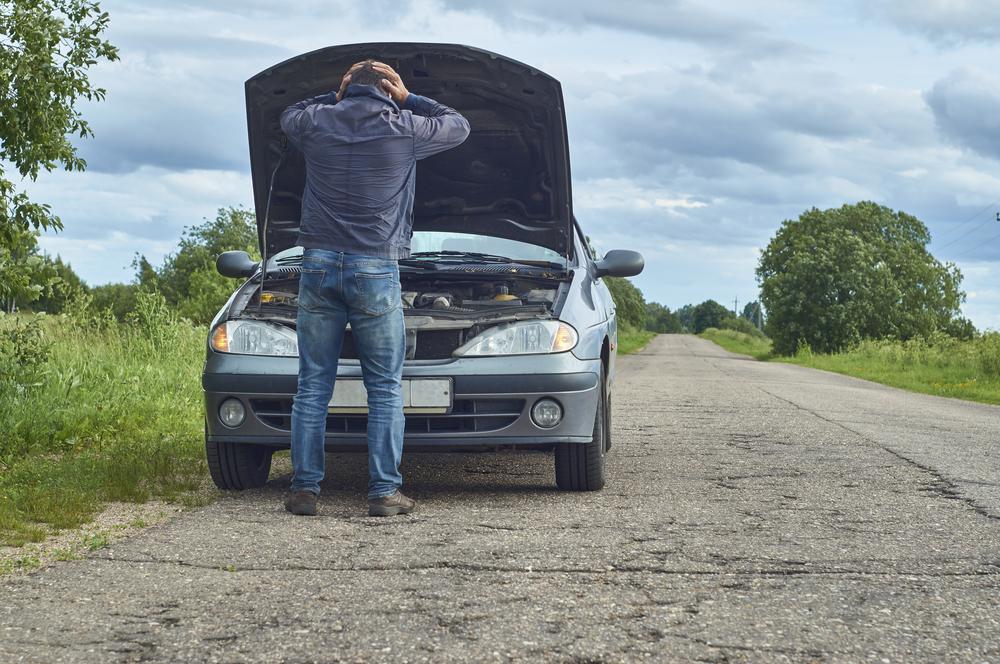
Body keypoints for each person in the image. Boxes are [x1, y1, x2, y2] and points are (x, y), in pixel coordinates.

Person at [279, 60, 470, 517]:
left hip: (318, 264)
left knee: (312, 385)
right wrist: (410, 98)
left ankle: (305, 490)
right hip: (375, 268)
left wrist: (335, 94)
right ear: (387, 89)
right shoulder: (405, 126)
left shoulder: (317, 120)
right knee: (383, 386)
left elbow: (289, 113)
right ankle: (384, 493)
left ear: (348, 86)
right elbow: (459, 126)